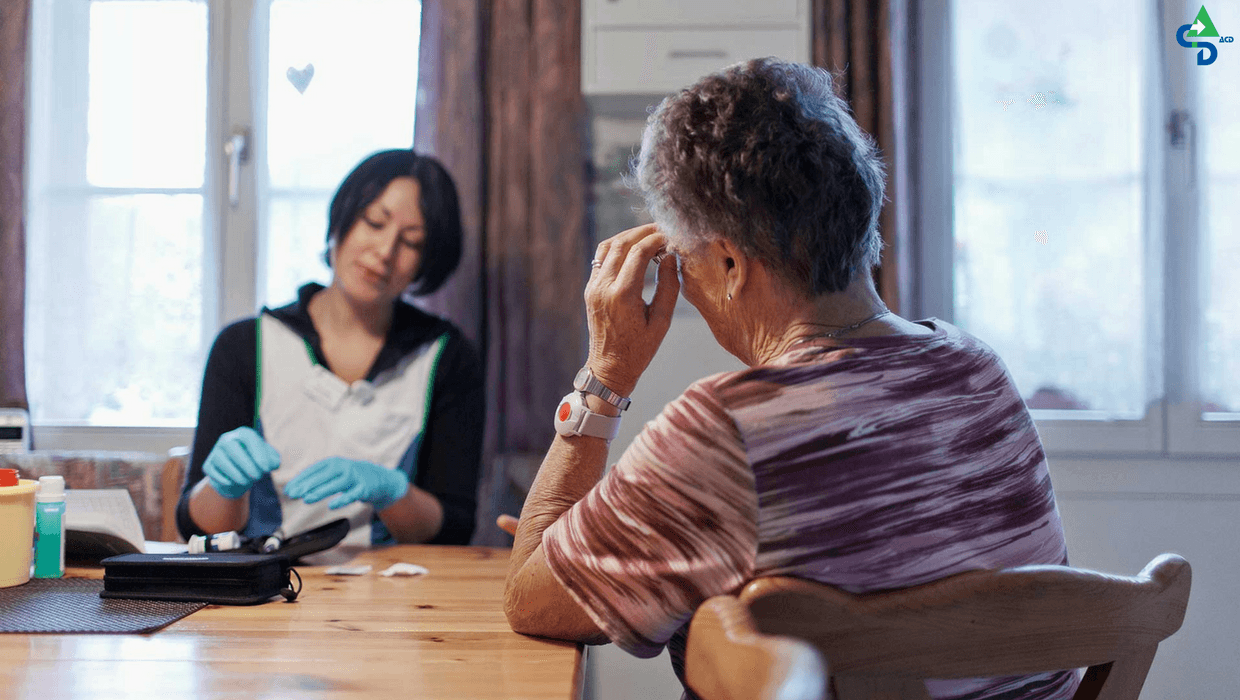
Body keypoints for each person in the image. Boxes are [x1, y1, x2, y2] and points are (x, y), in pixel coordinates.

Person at [502, 59, 1077, 700]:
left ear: (727, 262)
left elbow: (530, 597)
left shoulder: (725, 432)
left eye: (683, 259)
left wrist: (606, 374)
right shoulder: (978, 371)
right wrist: (610, 532)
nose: (684, 282)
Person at [176, 149, 483, 556]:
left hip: (395, 597)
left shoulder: (446, 357)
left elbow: (453, 528)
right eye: (374, 222)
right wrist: (222, 486)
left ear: (425, 263)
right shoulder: (244, 347)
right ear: (342, 217)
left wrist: (393, 492)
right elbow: (195, 528)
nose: (385, 251)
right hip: (263, 589)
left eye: (411, 242)